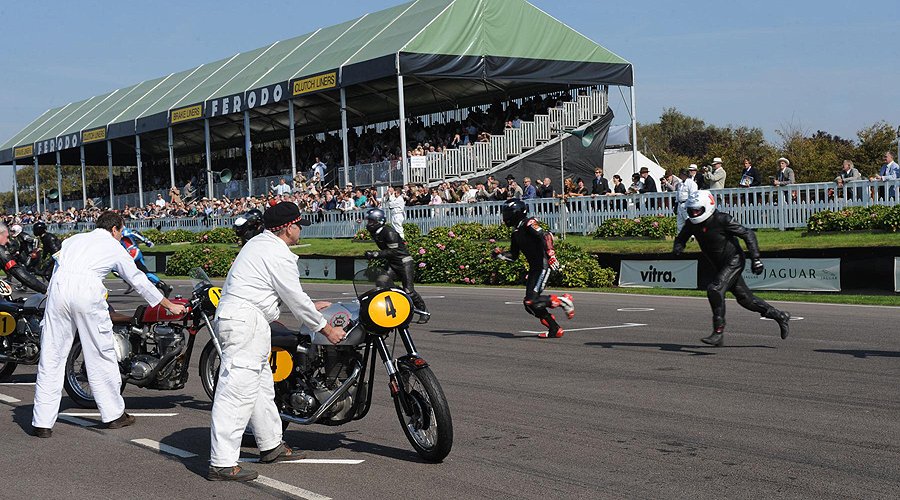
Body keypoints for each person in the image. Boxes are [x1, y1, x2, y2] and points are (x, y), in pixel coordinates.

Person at [208, 202, 346, 481]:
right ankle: (222, 462)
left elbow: (275, 292)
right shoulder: (276, 253)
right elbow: (293, 295)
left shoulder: (262, 244)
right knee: (237, 391)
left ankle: (271, 445)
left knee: (260, 387)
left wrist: (308, 305)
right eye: (298, 225)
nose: (300, 230)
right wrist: (326, 329)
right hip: (245, 322)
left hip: (247, 320)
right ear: (287, 228)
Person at [31, 211, 186, 438]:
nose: (121, 236)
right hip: (87, 291)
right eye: (121, 231)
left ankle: (42, 422)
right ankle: (113, 415)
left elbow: (55, 269)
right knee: (100, 354)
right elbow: (138, 279)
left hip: (58, 289)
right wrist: (167, 304)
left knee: (52, 356)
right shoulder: (114, 247)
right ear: (114, 229)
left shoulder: (73, 240)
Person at [673, 191, 791, 347]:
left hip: (734, 260)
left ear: (708, 206)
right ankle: (780, 316)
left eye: (697, 210)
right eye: (692, 210)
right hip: (719, 265)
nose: (694, 213)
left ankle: (718, 332)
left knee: (715, 289)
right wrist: (678, 247)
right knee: (746, 300)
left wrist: (755, 259)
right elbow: (681, 238)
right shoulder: (691, 224)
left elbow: (748, 233)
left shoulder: (722, 219)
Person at [492, 200, 574, 338]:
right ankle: (555, 329)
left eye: (507, 214)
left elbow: (546, 235)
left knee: (532, 300)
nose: (505, 217)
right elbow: (514, 256)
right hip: (534, 269)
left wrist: (551, 254)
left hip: (543, 266)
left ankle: (562, 301)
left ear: (516, 213)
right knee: (529, 304)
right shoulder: (516, 233)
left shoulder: (529, 223)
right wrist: (499, 255)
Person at [363, 208, 429, 321]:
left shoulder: (389, 232)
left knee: (409, 291)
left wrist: (375, 254)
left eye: (371, 221)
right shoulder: (376, 232)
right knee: (382, 282)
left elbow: (393, 251)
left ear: (379, 221)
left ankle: (424, 311)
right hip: (393, 263)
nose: (369, 224)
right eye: (368, 221)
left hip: (404, 262)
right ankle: (399, 298)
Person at [119, 227, 172, 297]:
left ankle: (132, 283)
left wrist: (146, 241)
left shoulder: (123, 231)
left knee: (121, 268)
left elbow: (134, 234)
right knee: (145, 272)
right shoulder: (119, 231)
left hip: (133, 253)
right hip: (134, 252)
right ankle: (162, 286)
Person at [0, 223, 47, 294]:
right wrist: (46, 290)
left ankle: (40, 275)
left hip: (31, 254)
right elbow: (16, 270)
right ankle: (42, 274)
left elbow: (34, 240)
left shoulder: (23, 236)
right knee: (24, 269)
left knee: (26, 268)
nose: (7, 240)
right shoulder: (20, 237)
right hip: (29, 254)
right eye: (6, 237)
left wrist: (35, 250)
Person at [675, 167, 698, 233]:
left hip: (686, 204)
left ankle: (693, 235)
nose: (680, 176)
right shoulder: (680, 184)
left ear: (684, 174)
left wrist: (690, 205)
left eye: (681, 174)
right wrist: (676, 204)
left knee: (689, 220)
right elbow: (678, 194)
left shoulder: (691, 183)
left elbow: (693, 194)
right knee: (680, 222)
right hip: (680, 204)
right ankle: (680, 236)